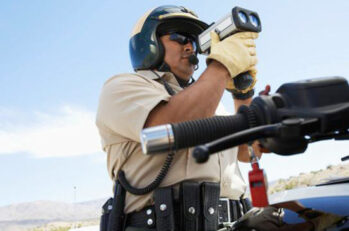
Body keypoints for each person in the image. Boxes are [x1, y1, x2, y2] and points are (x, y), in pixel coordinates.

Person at [96, 5, 262, 231]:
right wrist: (223, 65)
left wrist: (243, 95)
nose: (189, 46)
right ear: (149, 42)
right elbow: (176, 125)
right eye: (179, 37)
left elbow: (248, 152)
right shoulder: (121, 87)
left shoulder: (210, 102)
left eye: (193, 40)